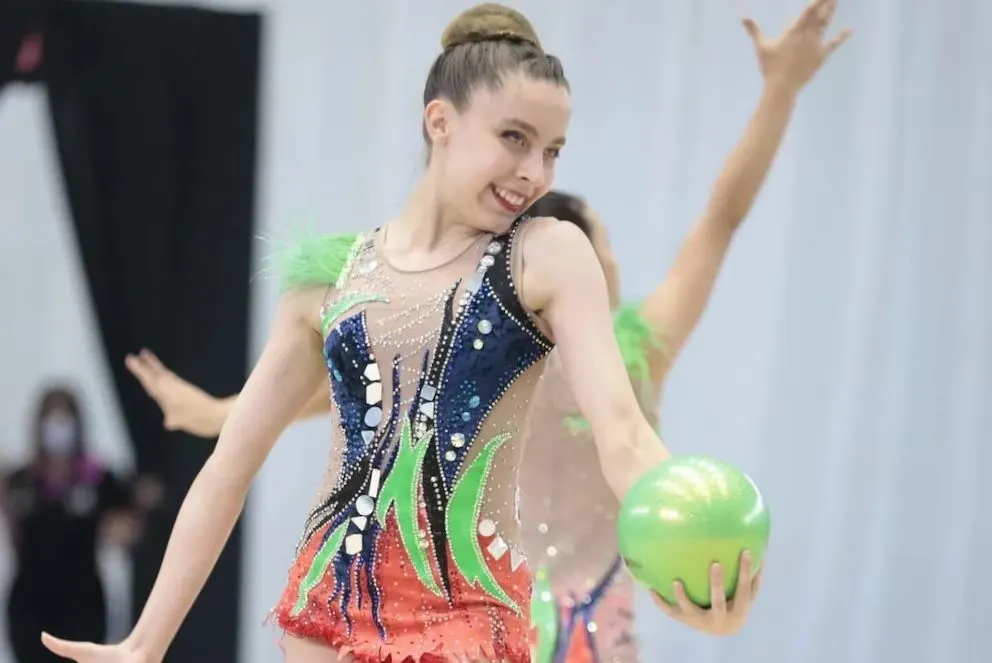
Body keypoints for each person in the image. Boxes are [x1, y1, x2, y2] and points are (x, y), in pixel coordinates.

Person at [40, 2, 847, 661]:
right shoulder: (331, 280)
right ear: (440, 122)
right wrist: (146, 641)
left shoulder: (546, 257)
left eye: (554, 150)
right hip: (326, 614)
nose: (535, 171)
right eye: (515, 139)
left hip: (483, 624)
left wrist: (693, 576)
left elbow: (627, 437)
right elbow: (231, 468)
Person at [0, 386, 160, 663]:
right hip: (30, 605)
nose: (58, 430)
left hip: (83, 605)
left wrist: (130, 518)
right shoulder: (22, 481)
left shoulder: (97, 479)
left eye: (65, 420)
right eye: (52, 420)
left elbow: (131, 522)